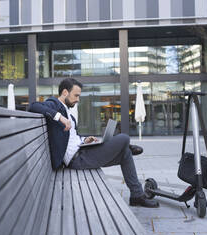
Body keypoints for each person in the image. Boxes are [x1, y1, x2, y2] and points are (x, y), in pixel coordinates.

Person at [28, 78, 159, 208]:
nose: (78, 99)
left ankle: (137, 195)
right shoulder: (55, 104)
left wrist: (85, 140)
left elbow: (72, 138)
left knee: (125, 154)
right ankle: (127, 147)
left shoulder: (70, 114)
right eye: (76, 95)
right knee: (124, 138)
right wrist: (59, 117)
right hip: (77, 159)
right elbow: (33, 106)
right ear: (64, 93)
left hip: (82, 152)